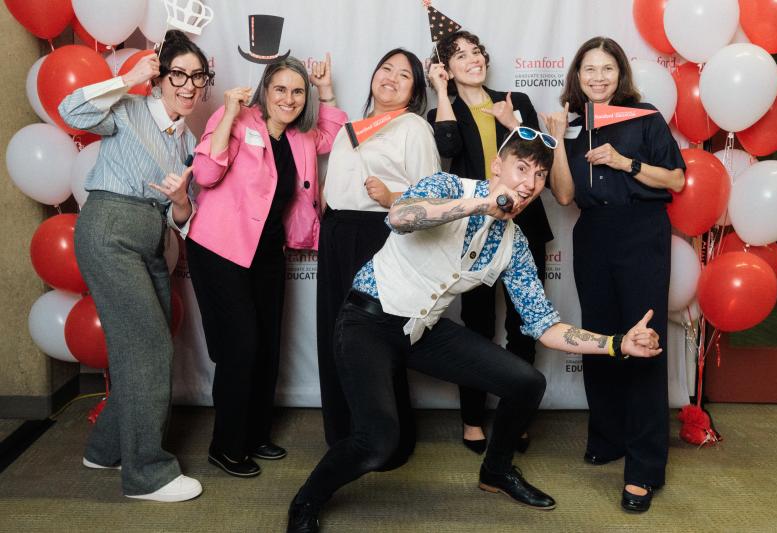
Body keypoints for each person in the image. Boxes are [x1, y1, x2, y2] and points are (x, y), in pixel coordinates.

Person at [286, 132, 662, 532]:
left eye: (539, 175)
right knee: (378, 443)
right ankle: (306, 499)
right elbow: (399, 216)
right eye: (521, 168)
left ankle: (496, 472)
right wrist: (481, 205)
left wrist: (616, 343)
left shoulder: (515, 243)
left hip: (421, 329)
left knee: (526, 382)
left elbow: (544, 324)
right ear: (497, 166)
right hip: (368, 321)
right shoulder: (447, 185)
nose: (530, 183)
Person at [59, 30, 212, 502]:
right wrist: (126, 79)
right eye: (178, 75)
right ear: (160, 77)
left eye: (197, 77)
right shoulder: (127, 109)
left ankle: (105, 449)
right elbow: (71, 112)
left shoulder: (185, 139)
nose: (188, 87)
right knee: (149, 351)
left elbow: (177, 216)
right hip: (109, 231)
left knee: (143, 349)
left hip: (149, 242)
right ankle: (146, 474)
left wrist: (182, 201)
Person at [540, 36, 685, 513]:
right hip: (593, 234)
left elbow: (677, 179)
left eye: (606, 69)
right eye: (588, 70)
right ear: (576, 78)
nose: (597, 78)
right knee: (601, 337)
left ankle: (644, 467)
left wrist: (626, 162)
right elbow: (563, 196)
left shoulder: (644, 117)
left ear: (620, 74)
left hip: (641, 233)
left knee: (642, 340)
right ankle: (607, 436)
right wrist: (559, 140)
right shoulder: (573, 125)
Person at [186, 55, 346, 478]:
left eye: (297, 91)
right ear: (264, 90)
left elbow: (338, 134)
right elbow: (203, 173)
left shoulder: (299, 137)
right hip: (220, 248)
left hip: (267, 251)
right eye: (280, 89)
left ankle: (254, 434)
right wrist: (228, 117)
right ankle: (225, 445)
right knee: (241, 346)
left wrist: (325, 91)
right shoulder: (236, 118)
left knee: (267, 344)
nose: (289, 99)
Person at [427, 31, 553, 454]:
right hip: (476, 229)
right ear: (446, 65)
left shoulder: (514, 99)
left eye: (476, 51)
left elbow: (541, 163)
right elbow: (447, 146)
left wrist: (511, 124)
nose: (472, 58)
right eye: (459, 55)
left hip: (526, 225)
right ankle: (472, 418)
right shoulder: (442, 109)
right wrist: (443, 92)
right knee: (477, 327)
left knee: (523, 326)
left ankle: (514, 417)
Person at [316, 48, 440, 464]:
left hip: (378, 235)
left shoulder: (414, 128)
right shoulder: (350, 126)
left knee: (373, 338)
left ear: (415, 90)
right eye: (385, 67)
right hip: (336, 234)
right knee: (334, 331)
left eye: (403, 74)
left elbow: (431, 200)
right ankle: (343, 433)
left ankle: (386, 439)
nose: (390, 77)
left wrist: (391, 198)